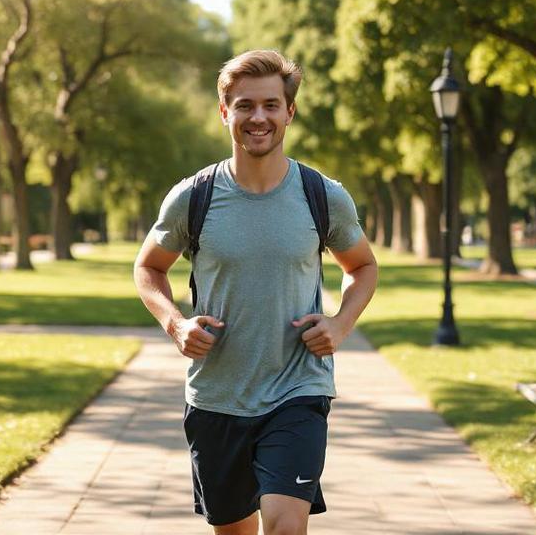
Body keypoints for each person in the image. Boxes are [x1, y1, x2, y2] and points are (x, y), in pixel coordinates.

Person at [134, 50, 378, 535]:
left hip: (298, 390)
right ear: (225, 112)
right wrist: (174, 323)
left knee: (286, 527)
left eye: (271, 105)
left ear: (290, 111)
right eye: (245, 105)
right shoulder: (193, 196)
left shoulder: (321, 194)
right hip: (217, 396)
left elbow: (364, 267)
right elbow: (148, 268)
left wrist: (339, 323)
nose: (259, 117)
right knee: (235, 531)